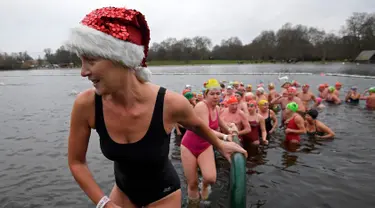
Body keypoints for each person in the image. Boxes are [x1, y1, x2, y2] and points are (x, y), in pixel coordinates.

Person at [66, 7, 246, 208]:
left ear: (122, 58)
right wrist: (104, 203)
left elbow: (195, 125)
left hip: (163, 196)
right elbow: (77, 163)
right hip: (121, 193)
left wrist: (221, 145)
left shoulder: (169, 103)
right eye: (81, 62)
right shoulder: (87, 105)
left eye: (91, 60)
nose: (83, 72)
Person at [181, 79, 238, 204]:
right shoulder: (202, 106)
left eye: (218, 94)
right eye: (212, 94)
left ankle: (205, 186)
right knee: (192, 183)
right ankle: (193, 204)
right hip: (189, 146)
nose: (215, 96)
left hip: (205, 145)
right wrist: (224, 137)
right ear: (206, 95)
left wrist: (230, 129)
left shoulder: (217, 108)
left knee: (210, 178)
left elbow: (221, 123)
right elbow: (206, 130)